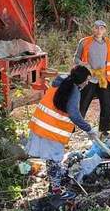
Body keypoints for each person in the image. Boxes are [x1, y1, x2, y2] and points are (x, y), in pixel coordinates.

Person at [26, 65, 99, 197]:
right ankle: (56, 191)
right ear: (81, 80)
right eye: (87, 80)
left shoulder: (62, 81)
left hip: (40, 125)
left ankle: (53, 187)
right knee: (54, 161)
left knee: (51, 160)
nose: (87, 83)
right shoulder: (74, 91)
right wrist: (89, 129)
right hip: (52, 131)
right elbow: (74, 114)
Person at [74, 20, 110, 139]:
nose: (99, 30)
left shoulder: (108, 43)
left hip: (103, 79)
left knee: (107, 105)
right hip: (89, 79)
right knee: (82, 104)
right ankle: (71, 128)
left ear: (104, 30)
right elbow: (76, 59)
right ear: (93, 29)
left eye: (101, 28)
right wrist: (86, 66)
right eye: (96, 28)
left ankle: (104, 131)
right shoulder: (84, 42)